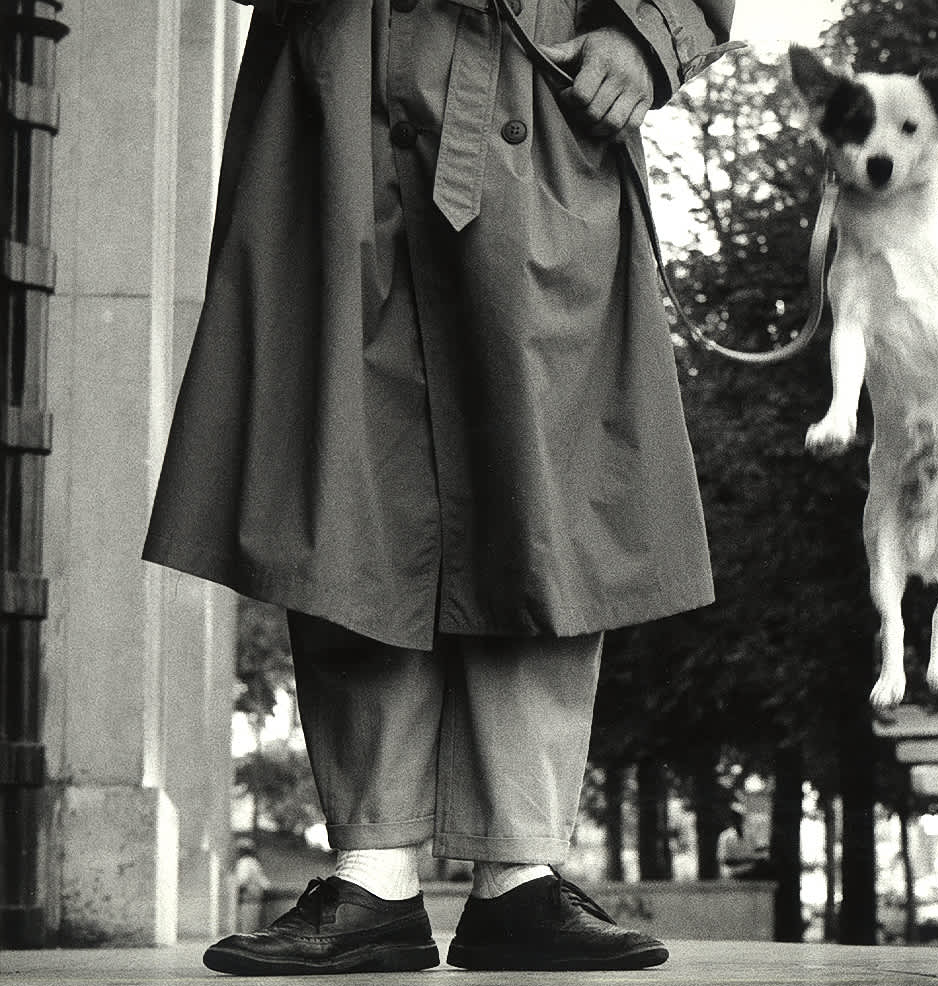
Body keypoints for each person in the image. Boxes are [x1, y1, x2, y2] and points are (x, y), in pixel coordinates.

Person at [143, 0, 737, 974]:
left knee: (547, 487)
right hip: (335, 91)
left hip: (533, 83)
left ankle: (522, 870)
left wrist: (652, 29)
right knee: (343, 478)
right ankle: (373, 867)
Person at [232, 838, 271, 933]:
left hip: (248, 897)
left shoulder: (244, 863)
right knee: (254, 922)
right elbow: (265, 882)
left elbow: (242, 880)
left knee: (247, 924)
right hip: (257, 897)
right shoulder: (255, 862)